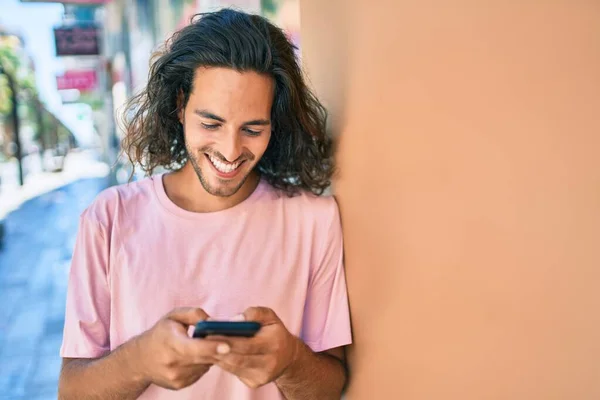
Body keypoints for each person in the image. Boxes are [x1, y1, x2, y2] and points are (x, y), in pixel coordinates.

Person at [57, 8, 351, 400]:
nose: (230, 151)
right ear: (180, 106)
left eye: (253, 128)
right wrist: (139, 361)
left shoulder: (314, 221)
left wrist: (291, 361)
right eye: (211, 124)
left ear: (275, 122)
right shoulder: (108, 219)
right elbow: (71, 391)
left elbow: (331, 388)